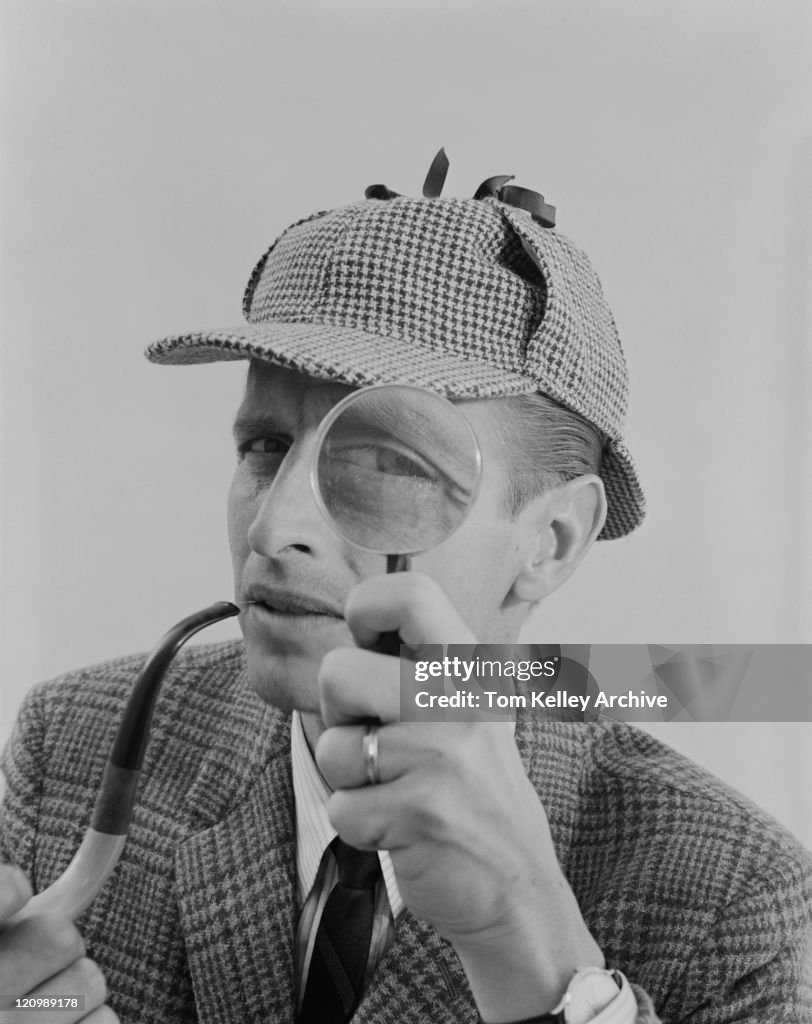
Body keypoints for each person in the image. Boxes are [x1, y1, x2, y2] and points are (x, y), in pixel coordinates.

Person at [1, 160, 810, 1024]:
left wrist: (529, 942)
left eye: (384, 460)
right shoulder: (68, 750)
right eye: (265, 446)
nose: (274, 531)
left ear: (552, 539)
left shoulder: (737, 898)